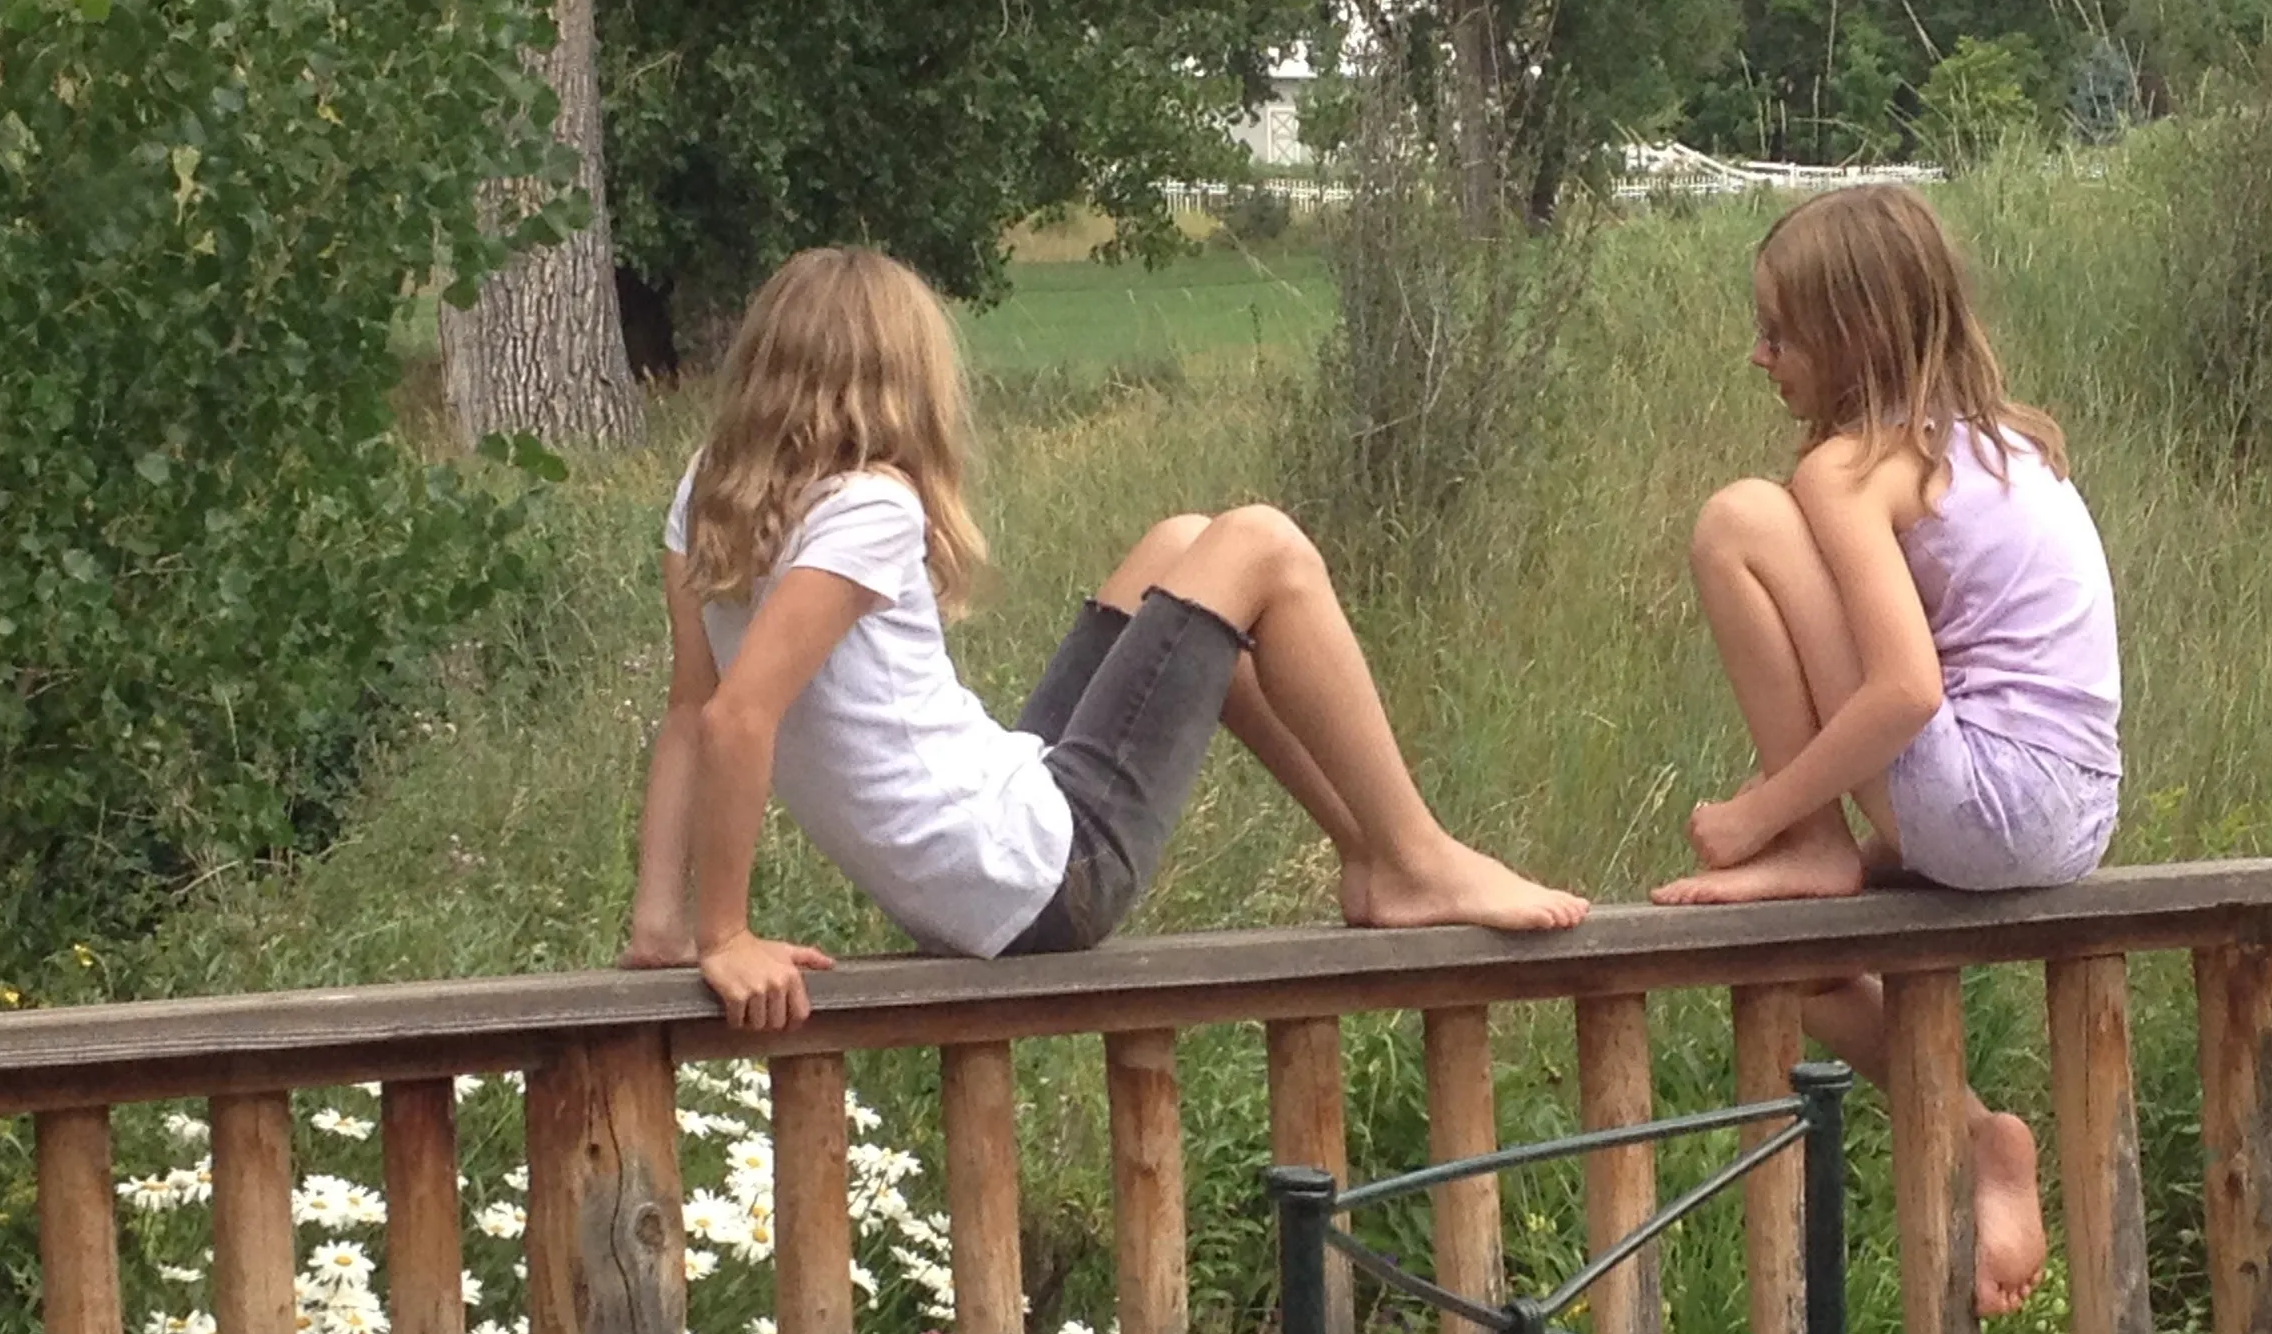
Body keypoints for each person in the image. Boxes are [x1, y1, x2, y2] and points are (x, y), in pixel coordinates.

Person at [624, 247, 1589, 1032]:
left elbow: (689, 711)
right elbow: (737, 718)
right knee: (1263, 544)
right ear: (904, 382)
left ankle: (1371, 855)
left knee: (1183, 548)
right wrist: (725, 935)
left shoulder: (708, 486)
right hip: (1047, 878)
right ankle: (1419, 855)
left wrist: (661, 921)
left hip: (1002, 844)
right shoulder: (872, 502)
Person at [1653, 185, 2121, 1314]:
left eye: (1780, 331)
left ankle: (1812, 843)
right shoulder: (2007, 442)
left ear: (1857, 335)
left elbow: (1906, 691)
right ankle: (1974, 1137)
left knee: (1735, 522)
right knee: (1812, 972)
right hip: (2076, 814)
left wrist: (1766, 815)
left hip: (1994, 798)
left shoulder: (1852, 467)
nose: (1758, 355)